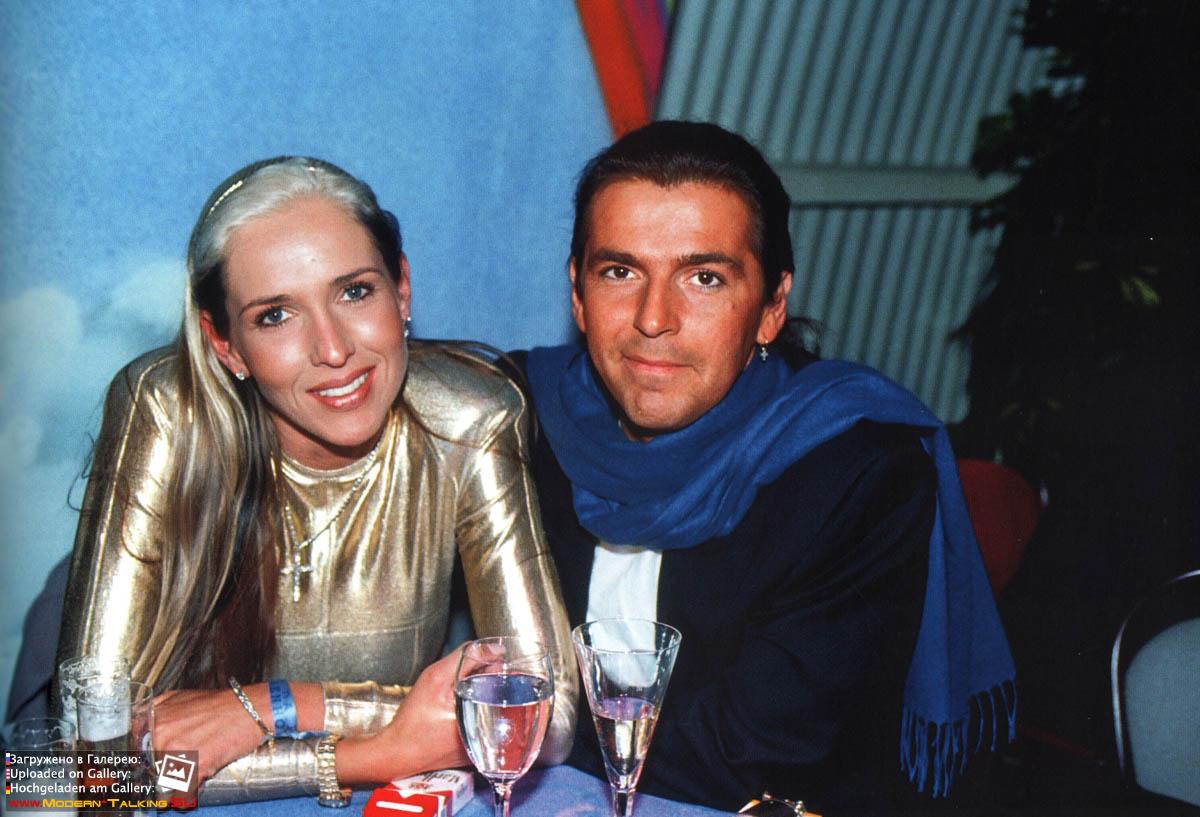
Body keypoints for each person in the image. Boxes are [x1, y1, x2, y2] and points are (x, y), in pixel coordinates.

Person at [516, 121, 1015, 812]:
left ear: (771, 307)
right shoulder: (529, 418)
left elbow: (751, 750)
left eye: (705, 278)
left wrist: (498, 719)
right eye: (620, 271)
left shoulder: (857, 473)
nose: (653, 318)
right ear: (577, 293)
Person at [56, 157, 577, 804]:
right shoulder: (164, 412)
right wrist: (377, 753)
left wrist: (271, 706)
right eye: (275, 315)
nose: (333, 349)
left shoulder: (470, 417)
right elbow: (84, 768)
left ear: (402, 289)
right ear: (225, 345)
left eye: (355, 291)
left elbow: (544, 718)